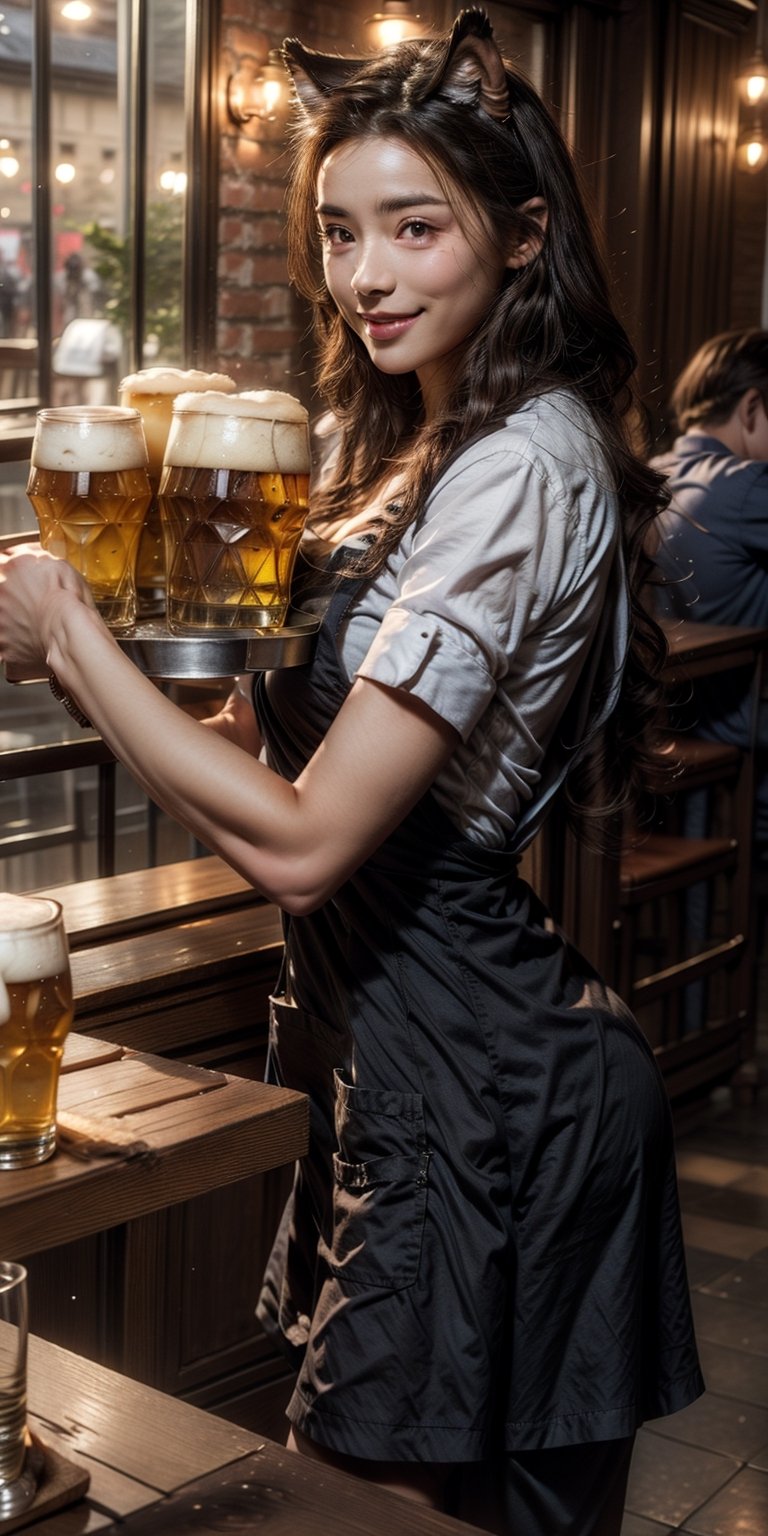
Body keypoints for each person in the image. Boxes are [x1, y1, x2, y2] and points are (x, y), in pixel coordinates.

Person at [0, 11, 702, 1534]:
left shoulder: (526, 463)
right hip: (408, 1069)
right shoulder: (422, 447)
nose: (365, 273)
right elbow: (262, 769)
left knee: (357, 1511)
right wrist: (122, 629)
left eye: (412, 228)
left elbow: (308, 849)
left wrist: (70, 641)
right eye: (336, 232)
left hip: (495, 1095)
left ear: (521, 239)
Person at [650, 328, 768, 863]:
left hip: (661, 724)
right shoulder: (746, 484)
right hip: (741, 730)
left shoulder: (650, 475)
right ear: (751, 407)